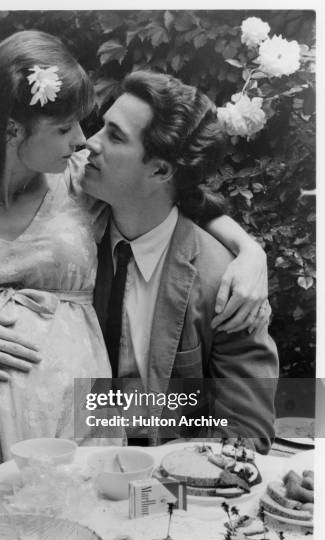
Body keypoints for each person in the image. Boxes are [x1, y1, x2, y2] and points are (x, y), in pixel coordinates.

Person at [0, 32, 267, 515]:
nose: (85, 141)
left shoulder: (88, 189)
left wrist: (250, 249)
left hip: (102, 451)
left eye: (106, 133)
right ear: (13, 130)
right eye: (70, 127)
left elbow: (177, 192)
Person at [85, 71, 278, 451]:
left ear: (160, 170)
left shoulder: (225, 282)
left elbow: (244, 431)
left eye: (115, 135)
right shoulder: (69, 238)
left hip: (170, 481)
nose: (90, 143)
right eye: (101, 127)